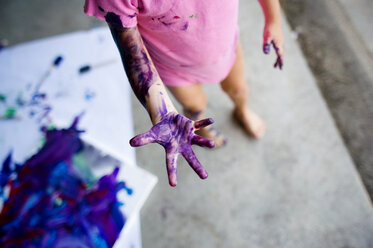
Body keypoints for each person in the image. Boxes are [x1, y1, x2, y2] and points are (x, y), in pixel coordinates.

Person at [84, 0, 284, 186]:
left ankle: (242, 110)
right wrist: (162, 114)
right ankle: (200, 123)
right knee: (195, 106)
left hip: (224, 46)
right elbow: (131, 52)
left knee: (238, 89)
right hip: (173, 68)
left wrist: (273, 19)